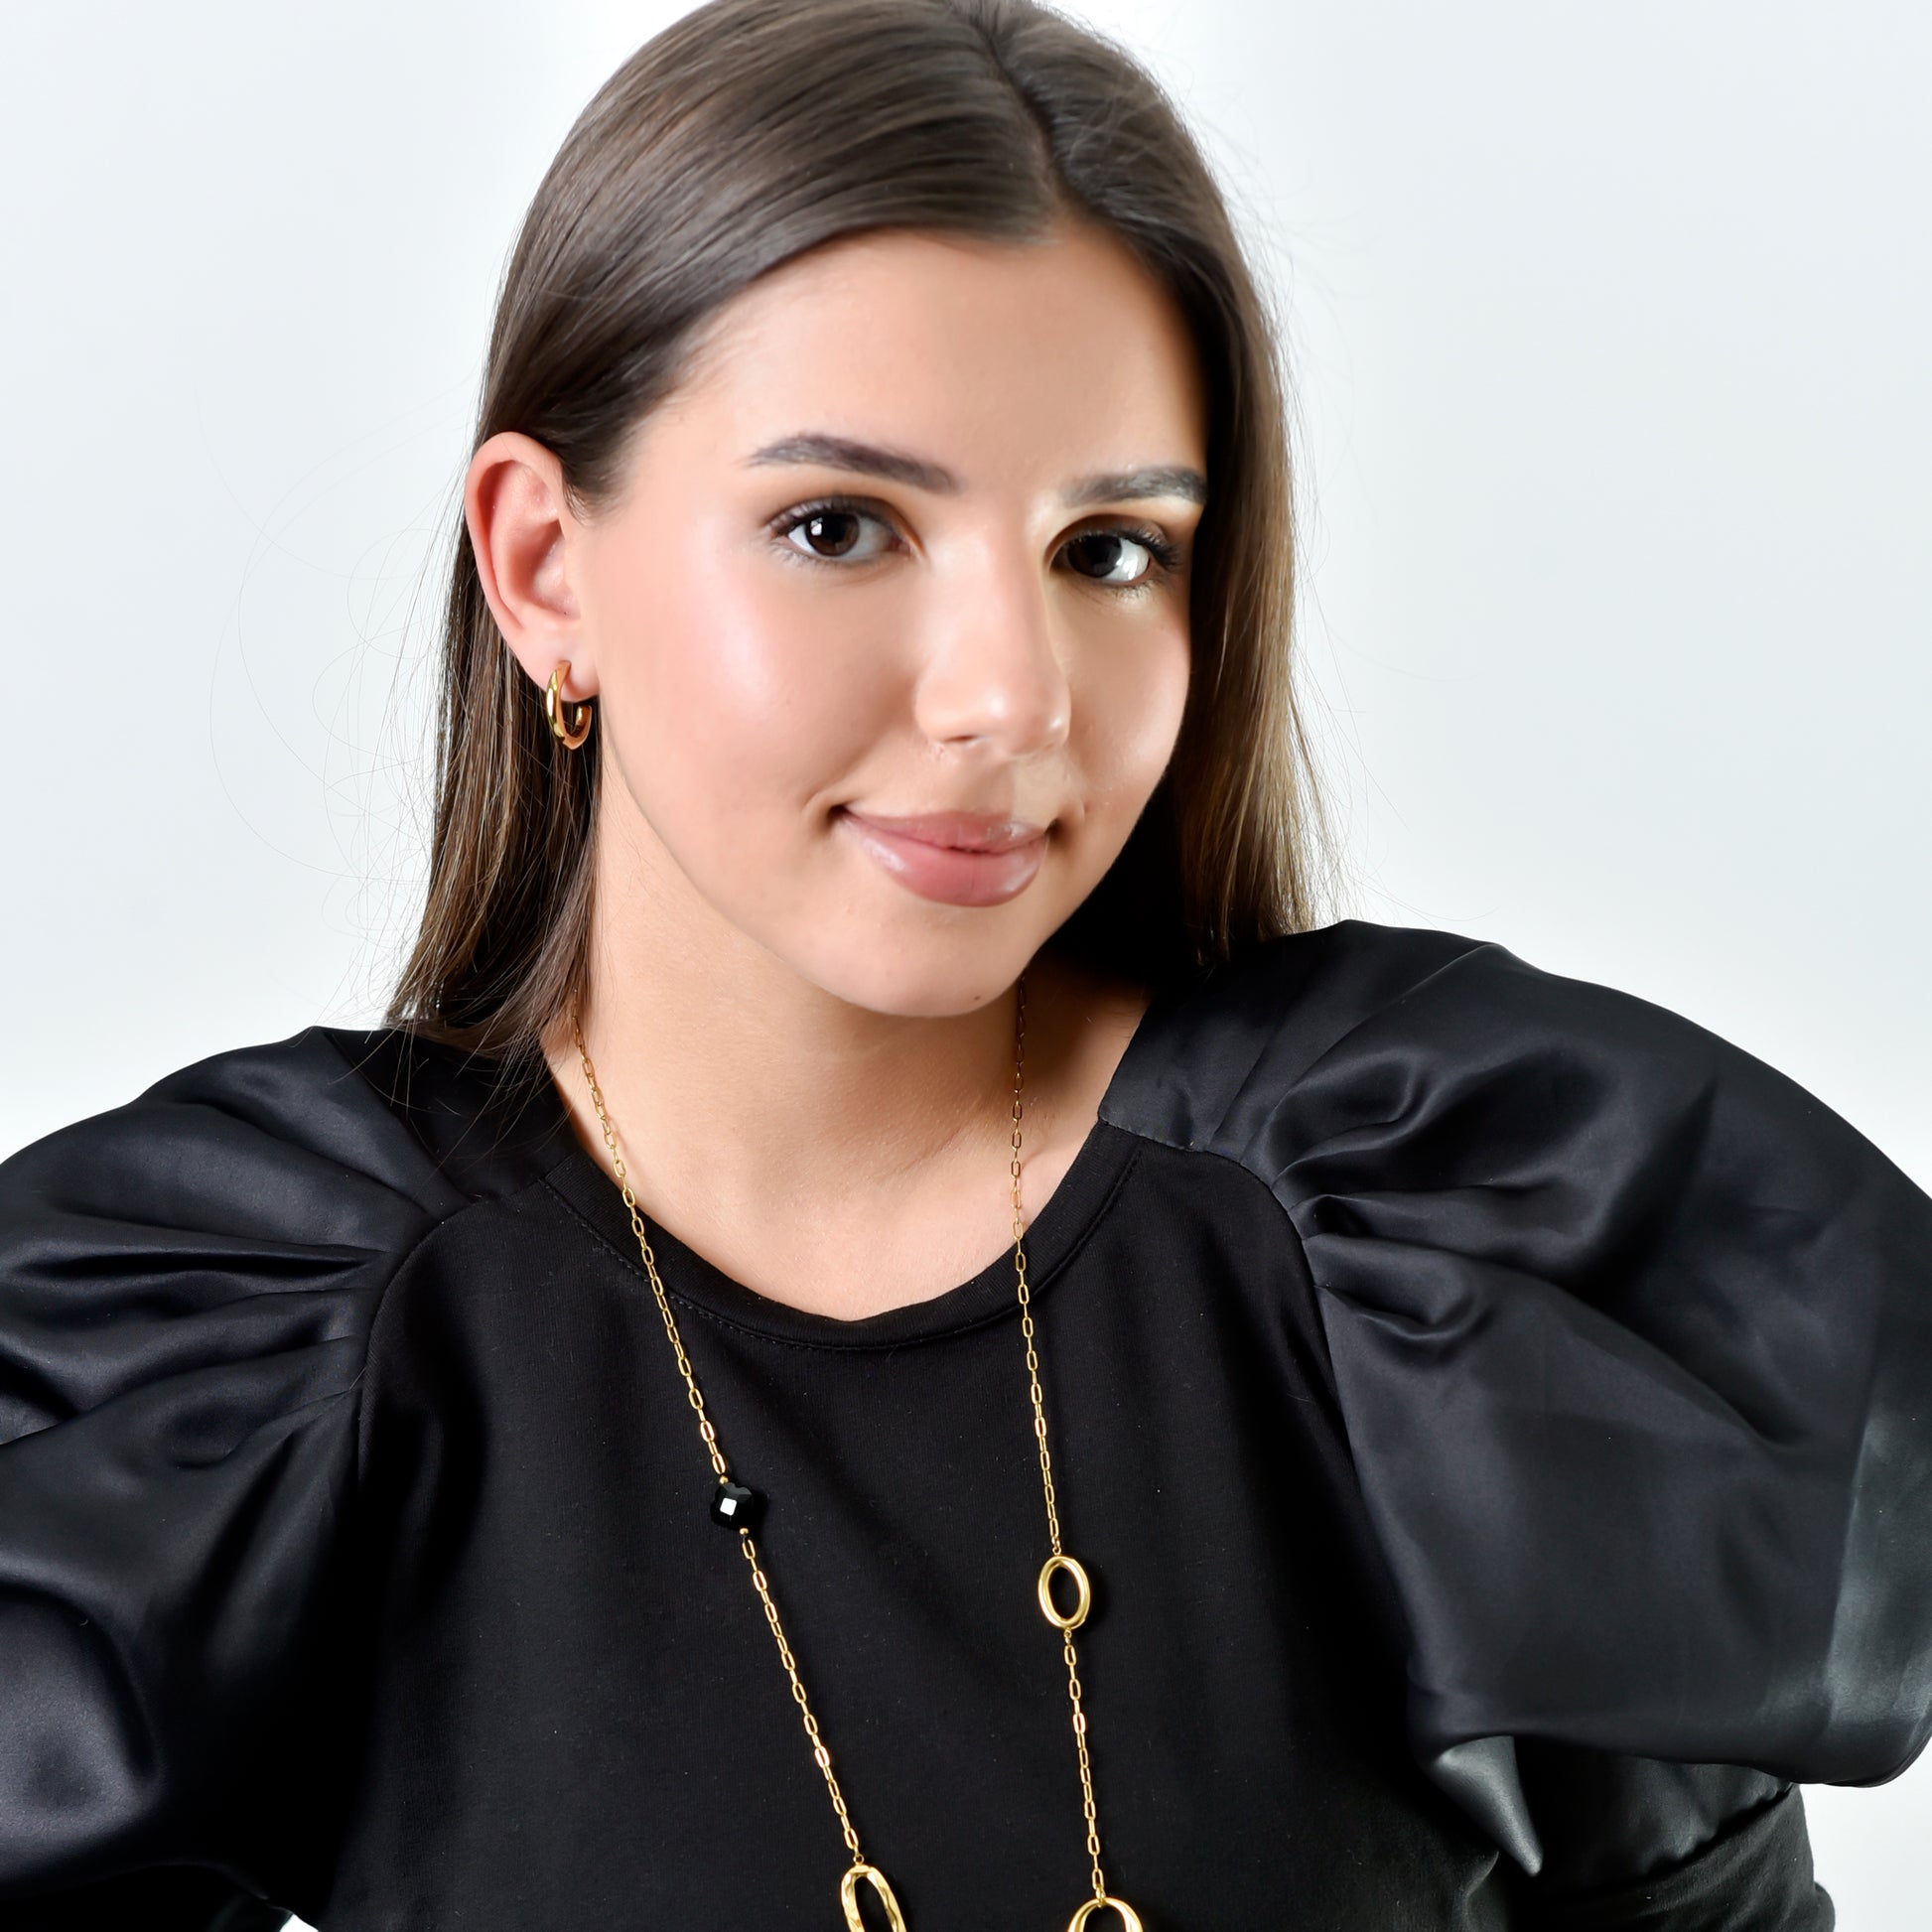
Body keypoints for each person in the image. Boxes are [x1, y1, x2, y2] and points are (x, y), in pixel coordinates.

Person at [2, 1, 1927, 1926]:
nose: (1010, 696)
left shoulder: (1443, 1238)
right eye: (839, 524)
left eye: (1107, 550)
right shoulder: (235, 1343)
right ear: (543, 566)